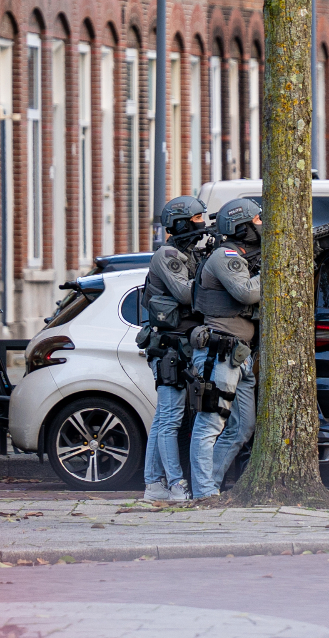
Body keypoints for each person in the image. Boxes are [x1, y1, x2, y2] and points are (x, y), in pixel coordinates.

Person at [187, 198, 263, 499]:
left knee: (243, 427)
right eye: (256, 221)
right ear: (240, 225)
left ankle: (212, 485)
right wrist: (280, 267)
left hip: (240, 356)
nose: (261, 225)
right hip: (220, 354)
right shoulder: (224, 255)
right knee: (210, 424)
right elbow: (245, 292)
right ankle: (204, 493)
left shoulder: (244, 255)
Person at [139, 195, 213, 502]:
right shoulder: (167, 254)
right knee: (170, 419)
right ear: (181, 222)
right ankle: (174, 483)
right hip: (170, 347)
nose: (202, 223)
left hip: (182, 344)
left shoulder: (187, 253)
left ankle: (153, 483)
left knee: (163, 419)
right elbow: (185, 293)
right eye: (197, 219)